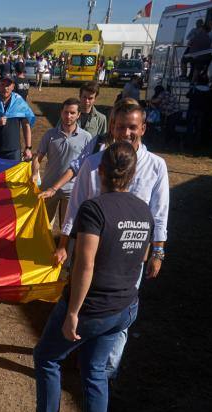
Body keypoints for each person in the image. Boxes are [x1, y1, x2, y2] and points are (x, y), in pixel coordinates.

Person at [8, 141, 153, 412]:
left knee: (46, 356)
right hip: (125, 306)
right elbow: (142, 255)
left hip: (94, 307)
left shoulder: (94, 209)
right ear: (132, 174)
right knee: (95, 370)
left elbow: (84, 265)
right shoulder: (142, 210)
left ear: (100, 171)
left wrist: (72, 313)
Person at [56, 99, 169, 378]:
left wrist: (158, 252)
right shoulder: (94, 164)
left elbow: (160, 213)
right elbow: (76, 205)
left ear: (143, 128)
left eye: (132, 127)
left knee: (121, 310)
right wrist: (64, 243)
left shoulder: (156, 166)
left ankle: (106, 370)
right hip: (91, 251)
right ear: (112, 128)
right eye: (120, 127)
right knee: (82, 300)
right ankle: (78, 347)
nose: (126, 133)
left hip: (130, 256)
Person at [35, 98, 92, 229]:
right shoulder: (50, 134)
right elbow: (38, 157)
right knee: (43, 225)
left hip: (72, 190)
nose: (68, 116)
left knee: (66, 228)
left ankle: (63, 249)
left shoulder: (87, 137)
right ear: (61, 112)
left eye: (72, 113)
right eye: (66, 112)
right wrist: (33, 171)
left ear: (78, 115)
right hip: (48, 188)